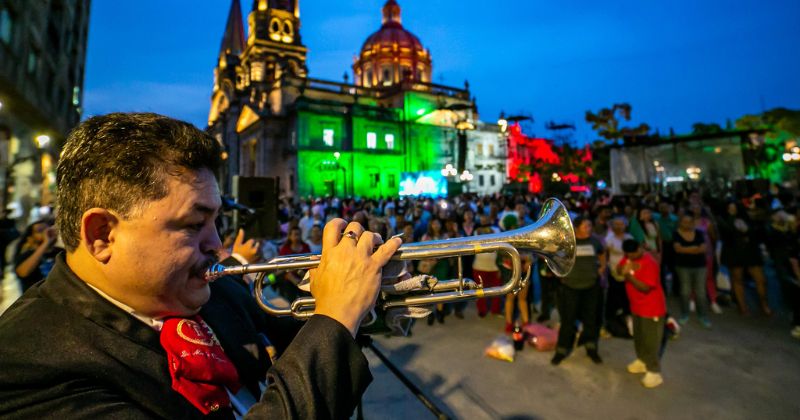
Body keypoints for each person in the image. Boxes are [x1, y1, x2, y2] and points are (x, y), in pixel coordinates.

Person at [0, 113, 402, 418]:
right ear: (103, 234)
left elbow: (305, 336)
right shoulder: (27, 366)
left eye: (216, 222)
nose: (216, 245)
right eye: (194, 225)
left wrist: (371, 289)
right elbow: (327, 333)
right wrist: (335, 317)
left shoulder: (208, 291)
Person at [552, 216, 605, 366]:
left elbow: (602, 254)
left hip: (591, 286)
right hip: (571, 287)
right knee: (568, 320)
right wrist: (560, 274)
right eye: (586, 226)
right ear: (576, 228)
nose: (589, 229)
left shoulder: (594, 241)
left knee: (591, 319)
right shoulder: (568, 243)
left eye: (590, 226)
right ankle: (562, 350)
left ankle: (591, 347)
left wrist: (602, 267)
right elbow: (556, 258)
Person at [617, 239, 667, 388]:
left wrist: (628, 275)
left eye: (634, 253)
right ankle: (642, 361)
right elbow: (619, 269)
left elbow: (645, 288)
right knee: (639, 337)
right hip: (636, 307)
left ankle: (654, 371)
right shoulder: (628, 258)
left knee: (651, 341)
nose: (631, 256)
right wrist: (624, 269)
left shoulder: (649, 263)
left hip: (652, 309)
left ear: (640, 249)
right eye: (628, 254)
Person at [673, 213, 711, 328]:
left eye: (689, 222)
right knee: (685, 290)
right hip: (683, 266)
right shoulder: (676, 233)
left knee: (701, 292)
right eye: (684, 222)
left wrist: (686, 249)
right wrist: (694, 249)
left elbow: (703, 248)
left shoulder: (699, 233)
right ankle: (685, 314)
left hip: (700, 266)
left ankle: (703, 316)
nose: (687, 224)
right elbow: (678, 249)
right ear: (680, 222)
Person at [13, 218, 62, 292]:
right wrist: (46, 243)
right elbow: (22, 273)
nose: (46, 232)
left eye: (47, 228)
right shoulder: (26, 255)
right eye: (40, 231)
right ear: (30, 238)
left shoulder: (60, 251)